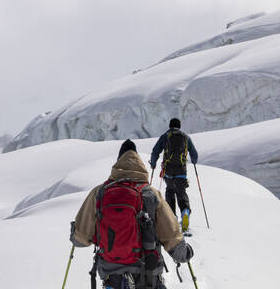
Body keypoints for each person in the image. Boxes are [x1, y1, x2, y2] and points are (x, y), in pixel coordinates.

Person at [70, 139, 193, 289]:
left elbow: (81, 239)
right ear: (140, 164)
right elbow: (171, 233)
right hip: (148, 275)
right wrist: (183, 253)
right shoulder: (151, 194)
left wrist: (74, 234)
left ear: (117, 163)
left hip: (112, 276)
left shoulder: (100, 193)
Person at [150, 118, 198, 232]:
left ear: (170, 126)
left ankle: (172, 217)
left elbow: (155, 150)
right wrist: (194, 161)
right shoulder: (186, 137)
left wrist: (153, 163)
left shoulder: (165, 136)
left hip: (168, 171)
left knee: (170, 191)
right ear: (179, 126)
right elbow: (194, 154)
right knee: (181, 192)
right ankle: (185, 212)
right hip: (181, 171)